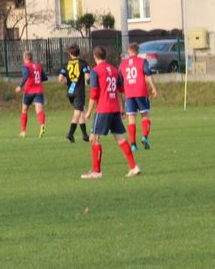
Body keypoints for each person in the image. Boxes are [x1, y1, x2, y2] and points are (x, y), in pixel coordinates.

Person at [82, 46, 140, 179]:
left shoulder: (95, 71)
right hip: (114, 109)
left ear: (95, 57)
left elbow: (94, 93)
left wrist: (89, 112)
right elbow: (120, 90)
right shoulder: (115, 70)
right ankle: (133, 166)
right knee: (120, 138)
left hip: (103, 109)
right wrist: (122, 108)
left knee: (94, 138)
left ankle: (96, 172)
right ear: (105, 55)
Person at [120, 43, 158, 151]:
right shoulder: (142, 61)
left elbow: (120, 82)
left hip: (129, 94)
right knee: (145, 115)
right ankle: (145, 137)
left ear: (129, 51)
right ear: (138, 51)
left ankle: (133, 145)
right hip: (141, 91)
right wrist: (154, 88)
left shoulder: (123, 64)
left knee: (131, 119)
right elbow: (149, 74)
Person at [58, 44, 90, 143]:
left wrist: (67, 83)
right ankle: (70, 133)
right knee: (77, 113)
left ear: (69, 54)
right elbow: (87, 77)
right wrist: (87, 82)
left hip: (70, 92)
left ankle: (85, 135)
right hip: (79, 92)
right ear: (79, 52)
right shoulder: (83, 63)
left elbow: (60, 79)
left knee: (81, 111)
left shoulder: (66, 64)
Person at [14, 51, 47, 138]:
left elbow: (26, 74)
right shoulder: (38, 66)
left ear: (24, 58)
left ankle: (23, 131)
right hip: (39, 91)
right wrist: (37, 80)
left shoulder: (25, 66)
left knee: (24, 110)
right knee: (39, 110)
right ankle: (42, 125)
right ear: (31, 58)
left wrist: (20, 86)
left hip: (29, 91)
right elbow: (45, 77)